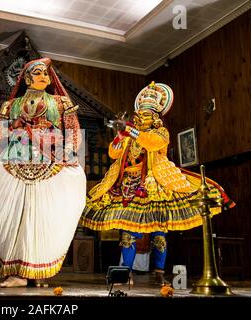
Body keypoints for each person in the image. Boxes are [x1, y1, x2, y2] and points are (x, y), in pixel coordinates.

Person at [81, 82, 235, 285]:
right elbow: (113, 153)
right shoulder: (129, 134)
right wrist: (120, 134)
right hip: (127, 184)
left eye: (147, 115)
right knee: (128, 230)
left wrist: (129, 130)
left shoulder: (160, 133)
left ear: (155, 117)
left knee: (159, 231)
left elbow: (151, 142)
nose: (142, 118)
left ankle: (159, 271)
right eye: (140, 115)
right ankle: (125, 272)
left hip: (155, 184)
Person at [0, 57, 86, 288]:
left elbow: (73, 133)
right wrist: (16, 125)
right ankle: (17, 274)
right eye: (39, 73)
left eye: (46, 74)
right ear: (27, 78)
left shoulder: (60, 103)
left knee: (45, 214)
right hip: (14, 163)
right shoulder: (10, 106)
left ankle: (40, 270)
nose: (44, 77)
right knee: (8, 211)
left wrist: (66, 153)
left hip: (51, 162)